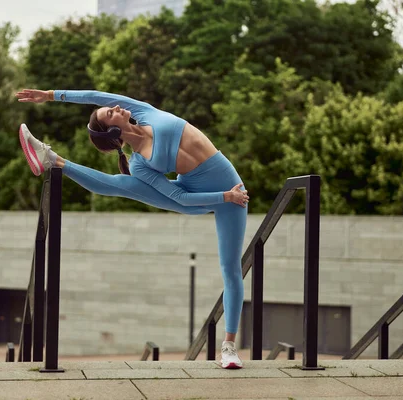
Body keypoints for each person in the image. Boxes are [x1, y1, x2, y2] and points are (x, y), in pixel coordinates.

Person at [15, 88, 249, 369]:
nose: (114, 107)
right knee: (124, 184)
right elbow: (180, 198)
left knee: (231, 269)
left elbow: (95, 95)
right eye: (110, 114)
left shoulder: (143, 111)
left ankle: (229, 346)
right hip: (201, 196)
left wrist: (52, 96)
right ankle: (53, 160)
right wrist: (224, 197)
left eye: (112, 108)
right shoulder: (140, 166)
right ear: (113, 133)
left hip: (235, 192)